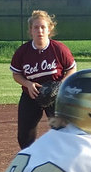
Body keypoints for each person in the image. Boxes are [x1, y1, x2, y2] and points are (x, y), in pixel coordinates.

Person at [10, 9, 76, 149]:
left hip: (55, 95)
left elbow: (71, 69)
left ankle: (63, 159)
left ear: (49, 29)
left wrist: (61, 85)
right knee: (24, 134)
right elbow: (16, 74)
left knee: (62, 130)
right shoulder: (22, 52)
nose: (39, 31)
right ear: (31, 30)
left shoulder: (59, 49)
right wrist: (27, 84)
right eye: (36, 27)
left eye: (43, 27)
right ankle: (31, 160)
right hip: (31, 94)